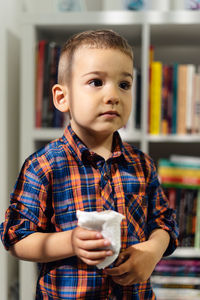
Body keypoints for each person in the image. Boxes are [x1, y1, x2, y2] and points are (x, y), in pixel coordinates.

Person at [0, 29, 178, 299]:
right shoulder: (44, 166)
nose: (113, 95)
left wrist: (152, 252)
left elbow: (164, 222)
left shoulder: (142, 164)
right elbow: (16, 238)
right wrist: (70, 241)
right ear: (62, 98)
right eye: (96, 82)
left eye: (124, 84)